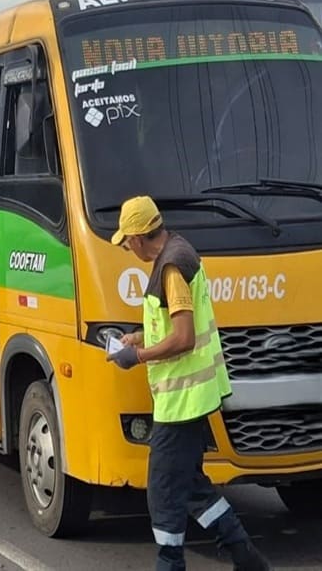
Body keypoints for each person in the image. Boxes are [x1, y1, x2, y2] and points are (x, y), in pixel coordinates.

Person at [106, 196, 270, 571]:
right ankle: (246, 556)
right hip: (193, 397)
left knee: (163, 493)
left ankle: (171, 563)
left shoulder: (171, 268)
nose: (127, 248)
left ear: (137, 237)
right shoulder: (178, 251)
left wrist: (137, 356)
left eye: (126, 241)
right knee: (191, 485)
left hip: (181, 403)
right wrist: (139, 337)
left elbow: (184, 338)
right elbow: (174, 325)